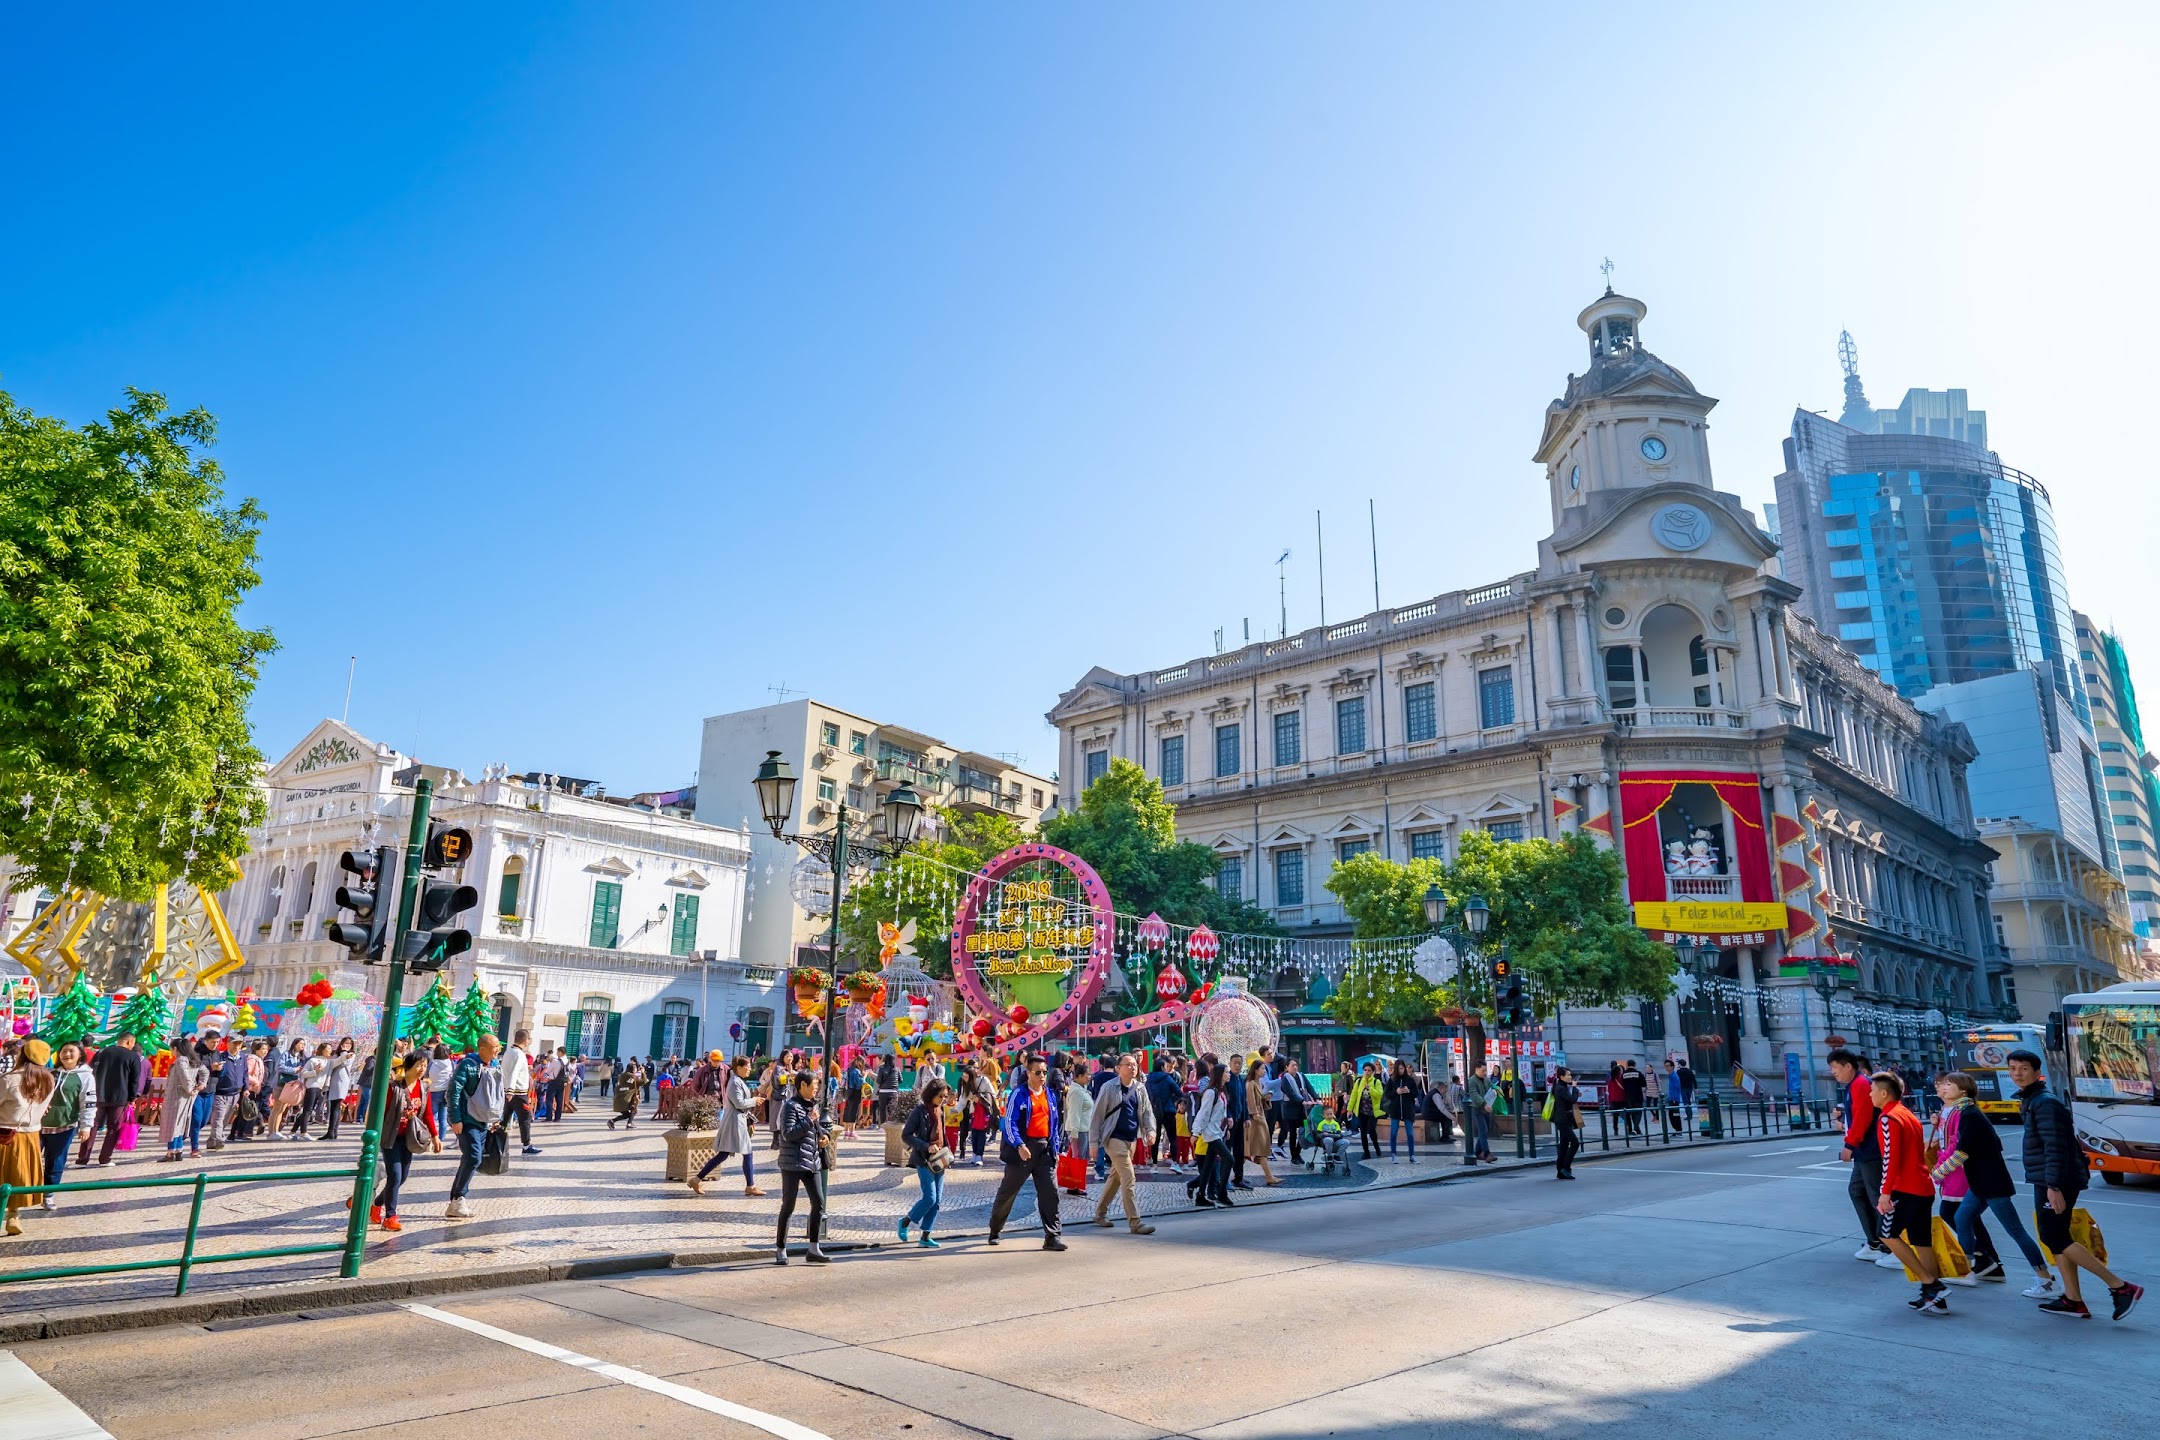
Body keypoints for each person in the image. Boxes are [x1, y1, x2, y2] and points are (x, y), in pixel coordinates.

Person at [2009, 1048, 2142, 1320]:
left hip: (2057, 1179)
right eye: (2012, 1068)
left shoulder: (2045, 1103)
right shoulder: (2033, 1100)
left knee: (2053, 1235)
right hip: (2048, 1178)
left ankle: (2121, 1287)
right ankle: (2073, 1299)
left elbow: (2055, 1147)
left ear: (2037, 1072)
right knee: (2056, 1237)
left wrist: (2054, 1186)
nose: (2017, 1074)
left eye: (2023, 1068)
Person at [1929, 1071, 2051, 1294]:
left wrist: (1936, 1174)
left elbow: (1961, 1153)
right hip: (1981, 1183)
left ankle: (2046, 1281)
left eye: (1949, 1084)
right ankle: (1966, 1270)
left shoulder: (1970, 1114)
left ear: (1963, 1090)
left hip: (1992, 1184)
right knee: (1961, 1218)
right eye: (1943, 1084)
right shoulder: (1965, 1111)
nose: (1944, 1087)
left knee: (2015, 1231)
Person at [1869, 1070, 1947, 1315]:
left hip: (1905, 1188)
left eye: (1872, 1090)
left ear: (1883, 1093)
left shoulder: (1887, 1117)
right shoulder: (1908, 1114)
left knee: (1886, 1234)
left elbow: (1890, 1158)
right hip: (1922, 1186)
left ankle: (1930, 1284)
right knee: (1921, 1240)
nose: (1870, 1094)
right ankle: (1933, 1298)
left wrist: (1885, 1192)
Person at [987, 1052, 1066, 1251]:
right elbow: (1010, 1123)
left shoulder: (1049, 1094)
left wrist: (1056, 1149)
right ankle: (995, 1230)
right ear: (1028, 1073)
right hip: (1022, 1149)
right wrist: (1020, 1145)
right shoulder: (1019, 1094)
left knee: (1050, 1192)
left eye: (1044, 1073)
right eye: (1038, 1072)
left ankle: (1052, 1236)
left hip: (1044, 1150)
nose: (1042, 1076)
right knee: (1008, 1192)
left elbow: (1054, 1124)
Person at [1828, 1048, 1891, 1263]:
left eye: (1835, 1068)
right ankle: (1875, 1241)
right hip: (1865, 1150)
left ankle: (1889, 1245)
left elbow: (1863, 1117)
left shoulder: (1860, 1084)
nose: (1833, 1073)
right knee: (1857, 1190)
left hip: (1870, 1149)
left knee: (1876, 1196)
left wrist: (1849, 1145)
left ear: (1848, 1066)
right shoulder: (1853, 1086)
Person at [1089, 1053, 1158, 1234]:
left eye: (1134, 1064)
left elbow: (1147, 1112)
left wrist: (1150, 1131)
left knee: (1115, 1178)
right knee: (1129, 1177)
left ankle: (1100, 1213)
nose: (1132, 1068)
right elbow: (1096, 1116)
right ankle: (1135, 1222)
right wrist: (1093, 1143)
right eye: (1128, 1064)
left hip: (1131, 1139)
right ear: (1118, 1068)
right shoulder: (1109, 1087)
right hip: (1113, 1138)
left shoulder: (1140, 1088)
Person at [372, 1052, 440, 1230]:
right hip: (391, 1137)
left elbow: (427, 1114)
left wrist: (435, 1135)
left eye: (424, 1066)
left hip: (410, 1138)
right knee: (394, 1175)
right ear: (408, 1066)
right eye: (418, 1065)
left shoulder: (423, 1088)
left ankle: (376, 1204)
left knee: (401, 1178)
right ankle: (390, 1217)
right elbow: (381, 1112)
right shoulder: (394, 1088)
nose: (422, 1070)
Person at [773, 1070, 832, 1265]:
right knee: (788, 1205)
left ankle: (814, 1249)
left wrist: (825, 1137)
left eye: (817, 1085)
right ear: (802, 1086)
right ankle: (781, 1248)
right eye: (813, 1085)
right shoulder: (790, 1106)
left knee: (819, 1202)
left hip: (811, 1162)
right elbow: (788, 1134)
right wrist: (809, 1120)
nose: (816, 1089)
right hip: (792, 1163)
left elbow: (817, 1129)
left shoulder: (810, 1106)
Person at [0, 1041, 58, 1235]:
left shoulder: (10, 1079)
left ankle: (11, 1216)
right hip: (32, 1134)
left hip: (5, 1134)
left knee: (3, 1176)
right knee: (19, 1177)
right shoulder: (50, 1080)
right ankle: (13, 1215)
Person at [445, 1033, 505, 1220]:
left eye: (498, 1047)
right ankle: (458, 1197)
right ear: (482, 1048)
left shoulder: (495, 1065)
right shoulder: (467, 1065)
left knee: (471, 1158)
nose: (497, 1050)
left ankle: (456, 1201)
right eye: (494, 1047)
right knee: (473, 1157)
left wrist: (497, 1118)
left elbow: (497, 1093)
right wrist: (455, 1119)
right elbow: (453, 1091)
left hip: (484, 1122)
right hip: (467, 1120)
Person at [689, 1055, 766, 1197]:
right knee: (745, 1152)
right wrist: (754, 1100)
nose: (750, 1069)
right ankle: (750, 1185)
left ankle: (696, 1179)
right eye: (747, 1067)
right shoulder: (734, 1082)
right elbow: (739, 1103)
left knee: (725, 1154)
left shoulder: (736, 1080)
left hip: (738, 1120)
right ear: (739, 1068)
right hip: (735, 1121)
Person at [38, 1041, 92, 1209]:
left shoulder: (86, 1076)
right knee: (29, 1159)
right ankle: (18, 1194)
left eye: (71, 1051)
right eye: (63, 1051)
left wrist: (86, 1126)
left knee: (55, 1162)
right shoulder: (49, 1073)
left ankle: (48, 1194)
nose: (66, 1054)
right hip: (38, 1126)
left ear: (80, 1055)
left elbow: (88, 1102)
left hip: (64, 1126)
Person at [899, 1077, 949, 1248]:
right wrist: (926, 1146)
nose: (943, 1099)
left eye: (945, 1096)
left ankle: (925, 1237)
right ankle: (906, 1221)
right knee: (930, 1197)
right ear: (932, 1094)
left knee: (937, 1202)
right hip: (924, 1160)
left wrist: (948, 1153)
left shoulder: (940, 1111)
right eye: (941, 1096)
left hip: (940, 1160)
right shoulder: (919, 1111)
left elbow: (943, 1133)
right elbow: (906, 1135)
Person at [80, 1031, 143, 1167]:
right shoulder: (133, 1056)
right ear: (129, 1042)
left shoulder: (102, 1052)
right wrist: (132, 1097)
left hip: (98, 1094)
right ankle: (105, 1158)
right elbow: (134, 1080)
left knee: (92, 1125)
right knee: (113, 1127)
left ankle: (82, 1159)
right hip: (119, 1097)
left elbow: (91, 1072)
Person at [158, 1037, 211, 1162]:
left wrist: (190, 1089)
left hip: (177, 1096)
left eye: (171, 1049)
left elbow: (185, 1076)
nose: (171, 1051)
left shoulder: (181, 1060)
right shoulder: (193, 1059)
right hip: (188, 1097)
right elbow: (205, 1072)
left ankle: (171, 1152)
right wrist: (200, 1085)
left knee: (173, 1123)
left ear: (176, 1048)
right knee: (181, 1123)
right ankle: (178, 1150)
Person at [1191, 1063, 1233, 1207]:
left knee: (1209, 1165)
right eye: (1227, 1072)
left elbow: (1221, 1113)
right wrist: (1196, 1132)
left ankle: (1201, 1195)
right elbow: (1204, 1113)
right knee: (1229, 1159)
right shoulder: (1211, 1093)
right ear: (1220, 1074)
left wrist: (1226, 1128)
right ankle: (1221, 1194)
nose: (1229, 1074)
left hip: (1217, 1132)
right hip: (1210, 1133)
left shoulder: (1221, 1092)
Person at [503, 1028, 540, 1155]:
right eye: (529, 1039)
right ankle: (526, 1145)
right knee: (525, 1117)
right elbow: (514, 1073)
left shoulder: (509, 1051)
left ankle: (497, 1139)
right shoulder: (519, 1054)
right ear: (525, 1040)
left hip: (509, 1090)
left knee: (504, 1118)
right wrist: (511, 1090)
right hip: (517, 1092)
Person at [1060, 1062, 1094, 1197]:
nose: (1089, 1077)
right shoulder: (1076, 1092)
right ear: (1079, 1076)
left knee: (1080, 1158)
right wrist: (1073, 1133)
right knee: (1077, 1158)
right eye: (1087, 1074)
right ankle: (1075, 1185)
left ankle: (1075, 1184)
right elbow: (1074, 1113)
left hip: (1083, 1128)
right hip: (1078, 1130)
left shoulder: (1081, 1089)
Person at [207, 1038, 248, 1150]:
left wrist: (246, 1088)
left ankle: (212, 1141)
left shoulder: (242, 1057)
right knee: (218, 1117)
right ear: (228, 1044)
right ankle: (219, 1139)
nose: (237, 1046)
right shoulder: (221, 1057)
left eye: (239, 1044)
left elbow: (245, 1073)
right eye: (235, 1043)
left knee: (225, 1119)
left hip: (235, 1093)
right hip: (220, 1092)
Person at [1146, 1056, 1184, 1173]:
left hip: (1154, 1111)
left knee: (1155, 1138)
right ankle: (1175, 1163)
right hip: (1168, 1110)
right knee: (1173, 1138)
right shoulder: (1167, 1078)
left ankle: (1154, 1165)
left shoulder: (1149, 1079)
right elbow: (1178, 1092)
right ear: (1163, 1067)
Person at [1385, 1059, 1423, 1164]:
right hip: (1395, 1110)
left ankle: (1412, 1155)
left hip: (1408, 1110)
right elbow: (1387, 1094)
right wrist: (1396, 1092)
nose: (1401, 1070)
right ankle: (1394, 1155)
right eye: (1399, 1069)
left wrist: (1409, 1091)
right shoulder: (1392, 1080)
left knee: (1410, 1134)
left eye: (1402, 1068)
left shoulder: (1410, 1080)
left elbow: (1416, 1093)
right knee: (1393, 1133)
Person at [1549, 1066, 1582, 1179]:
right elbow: (1572, 1100)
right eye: (1568, 1075)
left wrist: (1574, 1091)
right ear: (1561, 1077)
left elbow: (1569, 1099)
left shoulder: (1561, 1087)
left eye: (1570, 1075)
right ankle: (1565, 1167)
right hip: (1562, 1119)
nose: (1570, 1077)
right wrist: (1575, 1089)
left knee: (1564, 1145)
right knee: (1575, 1143)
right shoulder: (1561, 1088)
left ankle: (1561, 1169)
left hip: (1564, 1119)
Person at [1347, 1062, 1385, 1159]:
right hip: (1361, 1111)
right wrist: (1349, 1109)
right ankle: (1366, 1151)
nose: (1367, 1072)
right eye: (1365, 1070)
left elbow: (1380, 1095)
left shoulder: (1377, 1082)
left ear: (1372, 1072)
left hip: (1373, 1111)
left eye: (1369, 1070)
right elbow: (1354, 1096)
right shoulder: (1359, 1082)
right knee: (1363, 1131)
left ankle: (1377, 1148)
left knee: (1371, 1130)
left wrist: (1370, 1089)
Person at [1466, 1062, 1499, 1163]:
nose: (1485, 1073)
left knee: (1485, 1130)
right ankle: (1487, 1153)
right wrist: (1484, 1104)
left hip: (1487, 1108)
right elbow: (1474, 1095)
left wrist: (1495, 1092)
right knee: (1483, 1131)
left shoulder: (1486, 1080)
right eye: (1483, 1071)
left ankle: (1477, 1152)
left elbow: (1491, 1090)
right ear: (1477, 1069)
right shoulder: (1471, 1081)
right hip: (1477, 1109)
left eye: (1485, 1071)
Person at [609, 1057, 645, 1129]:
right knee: (633, 1110)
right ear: (632, 1070)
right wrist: (643, 1072)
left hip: (618, 1099)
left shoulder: (622, 1075)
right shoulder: (632, 1076)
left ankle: (613, 1121)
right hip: (626, 1100)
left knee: (628, 1114)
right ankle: (628, 1124)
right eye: (635, 1069)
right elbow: (643, 1082)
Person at [1619, 1059, 1648, 1136]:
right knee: (1638, 1113)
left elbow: (1622, 1085)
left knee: (1631, 1113)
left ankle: (1636, 1130)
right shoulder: (1638, 1073)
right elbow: (1643, 1084)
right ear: (1635, 1065)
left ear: (1627, 1065)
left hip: (1628, 1096)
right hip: (1638, 1096)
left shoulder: (1624, 1074)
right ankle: (1635, 1129)